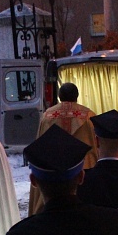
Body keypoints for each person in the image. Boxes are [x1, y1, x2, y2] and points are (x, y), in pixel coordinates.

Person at [28, 82, 98, 216]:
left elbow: (39, 145)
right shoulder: (88, 115)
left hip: (51, 170)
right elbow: (95, 144)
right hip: (82, 168)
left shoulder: (48, 115)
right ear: (77, 96)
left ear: (59, 97)